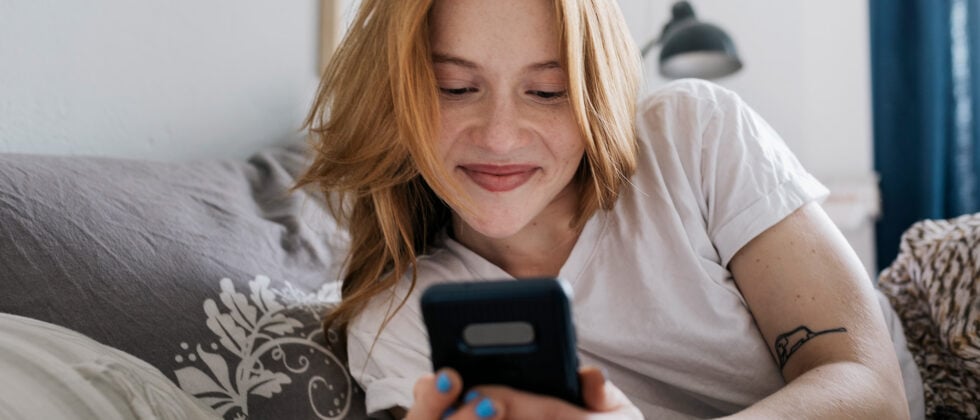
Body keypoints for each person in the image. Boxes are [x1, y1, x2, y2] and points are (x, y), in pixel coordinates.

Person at [296, 0, 925, 418]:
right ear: (397, 97)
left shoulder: (692, 135)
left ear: (594, 91)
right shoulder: (400, 318)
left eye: (546, 92)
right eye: (456, 89)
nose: (499, 136)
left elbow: (872, 392)